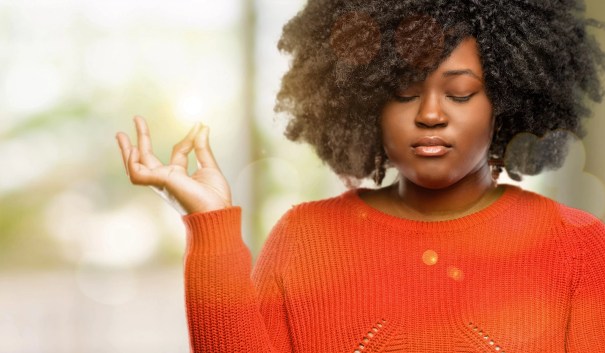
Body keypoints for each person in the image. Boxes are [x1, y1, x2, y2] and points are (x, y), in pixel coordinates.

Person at [116, 0, 605, 352]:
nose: (431, 114)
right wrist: (212, 228)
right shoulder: (304, 239)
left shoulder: (579, 247)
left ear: (507, 100)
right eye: (404, 93)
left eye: (459, 94)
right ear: (363, 102)